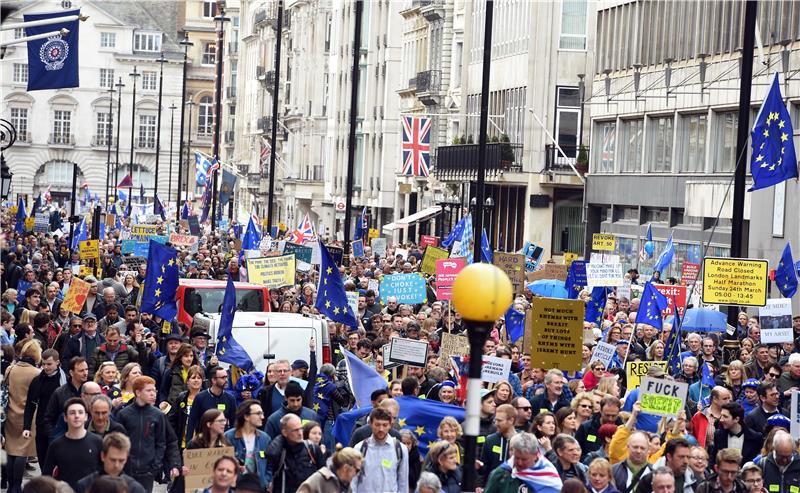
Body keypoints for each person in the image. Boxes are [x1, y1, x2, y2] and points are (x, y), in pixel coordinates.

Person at [115, 375, 179, 491]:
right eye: (149, 390)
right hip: (126, 470)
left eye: (154, 390)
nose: (153, 394)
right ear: (138, 392)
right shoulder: (124, 414)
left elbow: (163, 442)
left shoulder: (158, 415)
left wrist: (155, 466)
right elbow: (116, 442)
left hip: (148, 472)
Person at [5, 340, 42, 493]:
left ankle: (9, 486)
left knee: (10, 450)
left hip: (10, 414)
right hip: (28, 416)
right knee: (22, 452)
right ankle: (16, 486)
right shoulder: (36, 373)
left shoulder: (10, 369)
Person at [42, 397, 103, 491]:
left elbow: (104, 471)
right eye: (72, 413)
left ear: (86, 417)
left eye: (80, 412)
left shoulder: (97, 442)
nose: (77, 416)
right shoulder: (56, 445)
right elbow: (46, 475)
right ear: (65, 418)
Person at [351, 407, 409, 493]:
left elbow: (403, 483)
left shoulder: (400, 449)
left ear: (390, 425)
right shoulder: (360, 448)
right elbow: (353, 481)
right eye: (377, 425)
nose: (381, 429)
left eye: (384, 425)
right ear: (370, 424)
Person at [484, 432, 563, 493]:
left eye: (524, 459)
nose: (519, 463)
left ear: (535, 455)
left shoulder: (548, 475)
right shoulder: (501, 474)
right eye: (516, 458)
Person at [266, 413, 325, 493]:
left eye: (301, 429)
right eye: (295, 430)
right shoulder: (280, 451)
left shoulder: (313, 449)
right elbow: (270, 455)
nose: (300, 433)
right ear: (284, 432)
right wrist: (281, 439)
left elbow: (324, 476)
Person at [224, 400, 272, 490]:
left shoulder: (265, 438)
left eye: (262, 413)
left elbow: (270, 463)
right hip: (235, 488)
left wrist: (266, 480)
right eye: (258, 413)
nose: (262, 417)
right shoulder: (229, 437)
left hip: (258, 488)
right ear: (246, 416)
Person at [75, 432, 146, 493]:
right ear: (103, 456)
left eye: (121, 460)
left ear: (126, 458)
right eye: (112, 460)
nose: (116, 465)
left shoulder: (135, 489)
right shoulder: (85, 485)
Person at [43, 356, 88, 442]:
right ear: (71, 372)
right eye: (81, 371)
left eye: (86, 369)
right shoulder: (60, 393)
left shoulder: (90, 390)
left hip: (85, 439)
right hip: (64, 439)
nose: (85, 373)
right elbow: (48, 419)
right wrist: (55, 437)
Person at [186, 365, 236, 440]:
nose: (226, 380)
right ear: (213, 380)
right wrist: (188, 444)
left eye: (226, 377)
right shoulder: (200, 397)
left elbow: (234, 423)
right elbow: (192, 422)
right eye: (223, 378)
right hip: (203, 441)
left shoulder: (230, 399)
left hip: (223, 441)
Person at [480, 404, 518, 486]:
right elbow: (483, 468)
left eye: (499, 421)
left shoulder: (522, 441)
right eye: (495, 420)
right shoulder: (490, 440)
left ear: (511, 420)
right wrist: (479, 486)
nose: (496, 423)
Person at [298, 446, 363, 493]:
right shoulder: (320, 479)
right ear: (345, 467)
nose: (357, 474)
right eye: (357, 470)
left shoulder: (347, 487)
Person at [577, 395, 622, 461]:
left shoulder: (622, 430)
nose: (610, 419)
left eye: (614, 416)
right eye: (607, 415)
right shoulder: (586, 427)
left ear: (618, 413)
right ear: (600, 411)